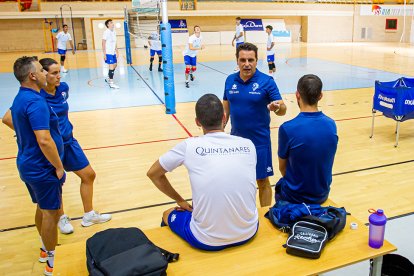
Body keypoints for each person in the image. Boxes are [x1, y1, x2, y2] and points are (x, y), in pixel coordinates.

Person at [2, 58, 112, 235]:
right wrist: (29, 132)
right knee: (56, 185)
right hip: (52, 147)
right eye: (53, 73)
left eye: (59, 72)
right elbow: (8, 118)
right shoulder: (36, 96)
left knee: (89, 175)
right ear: (41, 74)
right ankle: (60, 217)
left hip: (69, 142)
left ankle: (89, 215)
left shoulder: (63, 89)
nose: (58, 76)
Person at [147, 94, 258, 251]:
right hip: (249, 231)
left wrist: (180, 201)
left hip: (206, 240)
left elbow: (153, 173)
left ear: (197, 122)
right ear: (224, 117)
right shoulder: (248, 144)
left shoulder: (189, 146)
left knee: (167, 213)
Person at [5, 56, 65, 276]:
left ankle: (43, 249)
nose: (44, 73)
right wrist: (58, 166)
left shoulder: (21, 97)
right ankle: (51, 261)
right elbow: (44, 140)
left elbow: (7, 118)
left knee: (41, 207)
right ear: (32, 75)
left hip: (27, 164)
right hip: (42, 167)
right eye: (41, 70)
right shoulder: (36, 102)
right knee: (52, 213)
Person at [223, 42, 287, 207]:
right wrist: (216, 132)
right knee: (238, 182)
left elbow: (283, 110)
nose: (246, 64)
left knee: (262, 181)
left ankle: (265, 215)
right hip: (235, 143)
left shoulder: (267, 82)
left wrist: (277, 107)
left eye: (251, 60)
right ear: (237, 61)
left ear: (257, 61)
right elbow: (225, 111)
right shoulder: (230, 81)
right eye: (243, 60)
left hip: (259, 143)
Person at [276, 74, 338, 204]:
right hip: (322, 194)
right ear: (320, 96)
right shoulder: (331, 125)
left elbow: (283, 169)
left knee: (279, 186)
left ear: (297, 95)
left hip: (295, 197)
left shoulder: (287, 128)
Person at [102, 19, 119, 89]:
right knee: (111, 66)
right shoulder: (106, 32)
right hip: (108, 52)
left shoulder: (114, 32)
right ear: (108, 25)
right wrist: (104, 54)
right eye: (111, 23)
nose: (113, 23)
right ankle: (111, 83)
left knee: (115, 64)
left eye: (112, 22)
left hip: (113, 52)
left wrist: (117, 51)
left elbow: (115, 43)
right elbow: (103, 43)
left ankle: (109, 77)